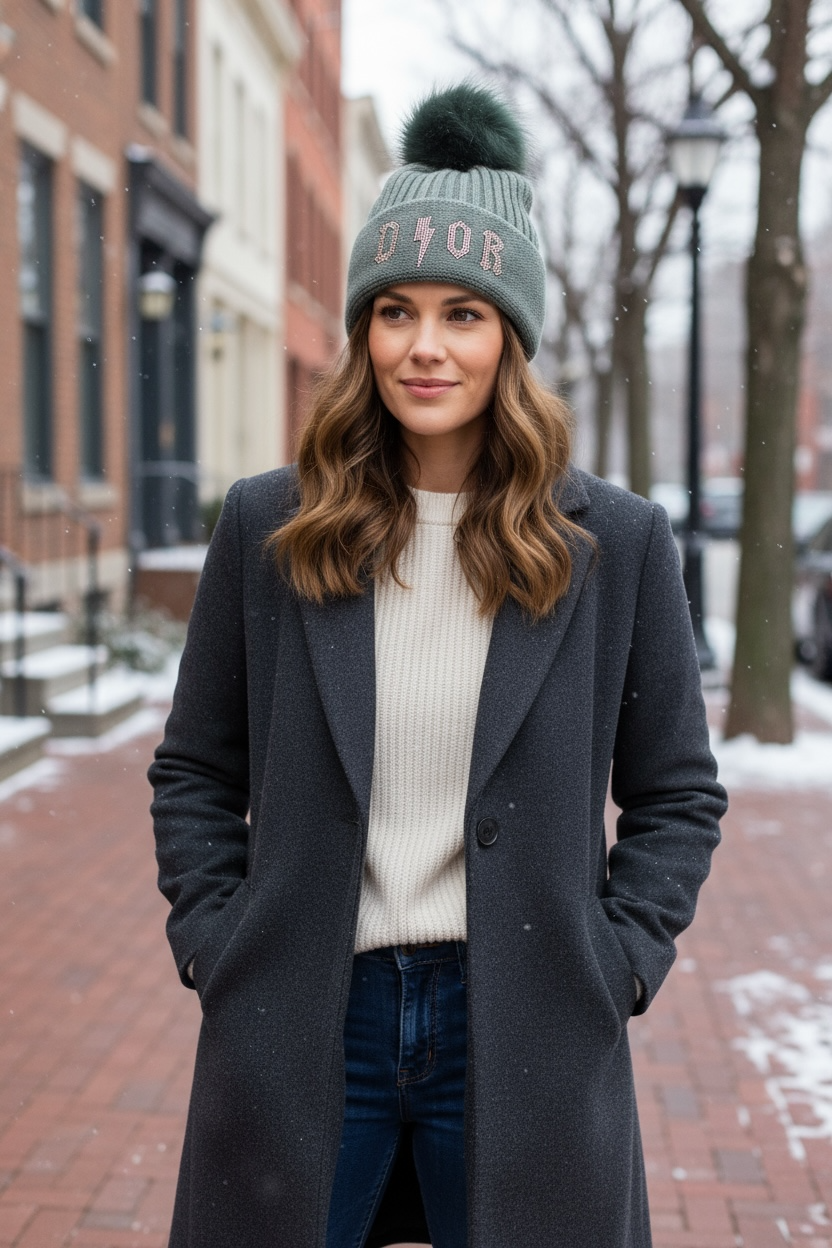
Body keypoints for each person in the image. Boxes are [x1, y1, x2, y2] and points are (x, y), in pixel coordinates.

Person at [149, 84, 727, 1248]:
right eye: (395, 310)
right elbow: (195, 771)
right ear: (362, 328)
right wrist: (222, 942)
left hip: (520, 1019)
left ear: (509, 335)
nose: (424, 346)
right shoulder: (270, 528)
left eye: (463, 313)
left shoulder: (611, 545)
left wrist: (611, 962)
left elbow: (677, 792)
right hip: (310, 1008)